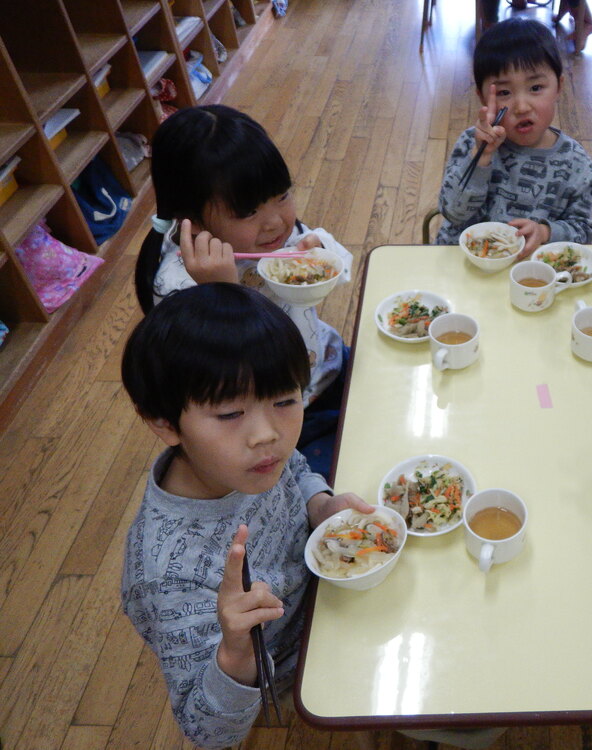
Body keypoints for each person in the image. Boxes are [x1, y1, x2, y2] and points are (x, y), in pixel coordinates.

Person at [119, 283, 373, 748]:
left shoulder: (251, 458)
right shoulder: (164, 577)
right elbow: (209, 733)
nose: (266, 435)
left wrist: (319, 504)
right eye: (231, 413)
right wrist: (235, 652)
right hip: (299, 671)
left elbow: (293, 464)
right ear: (164, 422)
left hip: (333, 592)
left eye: (285, 401)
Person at [133, 104, 353, 478]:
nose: (276, 222)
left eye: (282, 196)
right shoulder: (178, 284)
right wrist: (221, 292)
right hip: (277, 417)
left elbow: (339, 267)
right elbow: (219, 381)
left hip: (325, 367)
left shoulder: (280, 236)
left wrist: (322, 253)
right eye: (248, 212)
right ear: (192, 219)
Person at [435, 18, 592, 256]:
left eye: (535, 88)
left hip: (529, 274)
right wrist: (481, 158)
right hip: (461, 265)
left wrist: (545, 232)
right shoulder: (472, 144)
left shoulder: (578, 167)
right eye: (504, 92)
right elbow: (452, 212)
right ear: (483, 97)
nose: (521, 106)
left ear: (559, 87)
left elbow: (582, 229)